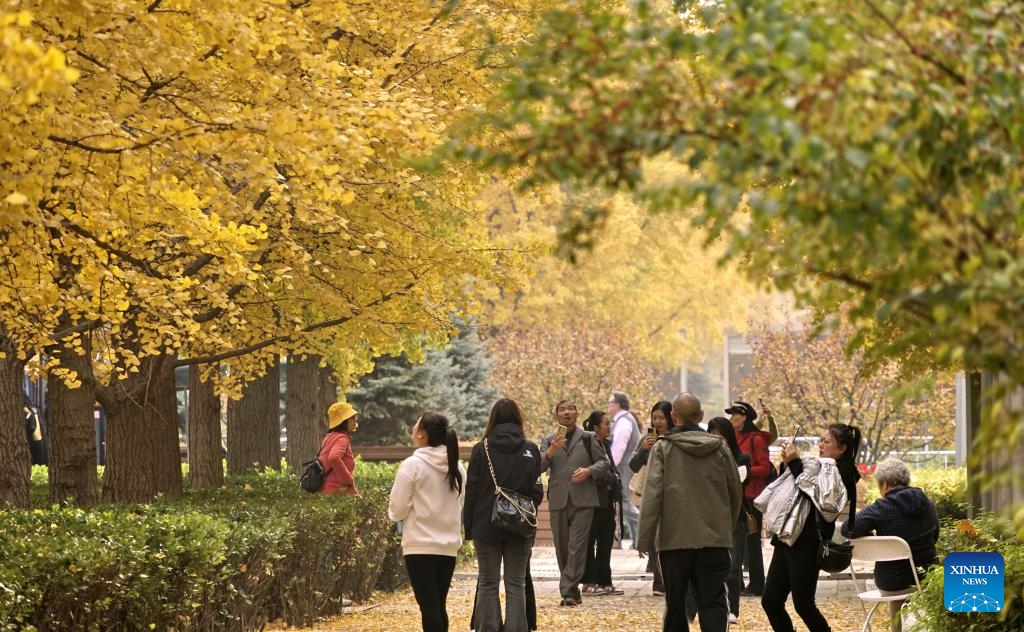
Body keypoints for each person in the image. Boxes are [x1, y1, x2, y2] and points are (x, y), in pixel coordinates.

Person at [637, 393, 742, 632]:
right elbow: (734, 491)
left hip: (674, 541)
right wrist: (727, 526)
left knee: (675, 604)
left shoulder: (663, 448)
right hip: (714, 539)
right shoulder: (720, 448)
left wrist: (645, 537)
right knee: (713, 601)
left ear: (673, 417)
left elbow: (652, 495)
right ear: (701, 416)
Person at [759, 423, 861, 632]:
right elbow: (794, 486)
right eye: (821, 440)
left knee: (803, 604)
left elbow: (823, 500)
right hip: (787, 536)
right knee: (770, 601)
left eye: (827, 441)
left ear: (841, 449)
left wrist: (796, 463)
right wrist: (788, 463)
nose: (821, 445)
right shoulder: (818, 464)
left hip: (808, 540)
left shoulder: (845, 472)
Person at [464, 398, 543, 632]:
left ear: (493, 419)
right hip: (520, 528)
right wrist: (521, 509)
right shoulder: (530, 449)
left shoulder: (482, 449)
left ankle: (488, 628)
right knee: (516, 583)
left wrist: (469, 527)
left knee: (487, 582)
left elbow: (472, 490)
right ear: (518, 418)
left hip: (486, 526)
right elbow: (537, 492)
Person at [388, 412, 466, 632]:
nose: (413, 428)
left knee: (429, 607)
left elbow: (397, 508)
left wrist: (403, 513)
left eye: (416, 424)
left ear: (422, 434)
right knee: (438, 605)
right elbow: (458, 504)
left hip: (419, 545)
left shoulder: (412, 465)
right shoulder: (457, 467)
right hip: (448, 547)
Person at [841, 458, 939, 631]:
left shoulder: (882, 507)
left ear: (885, 485)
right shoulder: (928, 505)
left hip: (891, 582)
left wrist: (869, 534)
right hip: (926, 579)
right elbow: (935, 536)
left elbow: (848, 528)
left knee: (897, 587)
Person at [540, 399, 610, 606]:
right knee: (562, 547)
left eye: (570, 409)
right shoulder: (548, 439)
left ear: (577, 414)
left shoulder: (589, 438)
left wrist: (589, 471)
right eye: (562, 410)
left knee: (577, 546)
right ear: (556, 415)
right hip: (558, 499)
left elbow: (604, 463)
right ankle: (572, 588)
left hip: (583, 499)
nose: (566, 412)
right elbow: (539, 467)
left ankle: (568, 591)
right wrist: (551, 451)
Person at [707, 416, 752, 626]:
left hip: (736, 518)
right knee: (712, 565)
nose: (717, 439)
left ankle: (733, 608)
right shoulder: (704, 459)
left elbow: (737, 483)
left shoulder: (741, 459)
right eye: (713, 435)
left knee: (733, 567)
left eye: (721, 435)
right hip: (711, 517)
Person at [726, 400, 772, 596]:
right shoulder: (733, 437)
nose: (731, 418)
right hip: (737, 496)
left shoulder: (756, 439)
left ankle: (757, 584)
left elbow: (766, 468)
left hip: (752, 498)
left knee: (752, 544)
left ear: (744, 417)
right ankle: (739, 584)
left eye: (735, 414)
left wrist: (743, 471)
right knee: (738, 544)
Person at [629, 400, 673, 597]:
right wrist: (644, 449)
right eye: (654, 418)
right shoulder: (647, 438)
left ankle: (671, 579)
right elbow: (633, 465)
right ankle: (659, 582)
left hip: (672, 493)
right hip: (651, 492)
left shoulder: (676, 437)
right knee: (654, 535)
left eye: (661, 418)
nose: (657, 422)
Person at [581, 410, 624, 596]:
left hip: (607, 502)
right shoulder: (586, 445)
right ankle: (589, 581)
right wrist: (611, 477)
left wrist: (613, 478)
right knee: (590, 542)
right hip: (593, 500)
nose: (610, 427)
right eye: (606, 423)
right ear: (596, 427)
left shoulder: (605, 444)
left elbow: (611, 469)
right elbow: (598, 471)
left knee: (606, 542)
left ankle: (605, 580)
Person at [607, 391, 641, 543]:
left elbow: (618, 448)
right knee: (623, 503)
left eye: (610, 403)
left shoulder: (623, 422)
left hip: (624, 466)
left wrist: (610, 466)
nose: (608, 406)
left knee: (624, 502)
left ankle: (648, 522)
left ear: (617, 404)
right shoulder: (623, 420)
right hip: (625, 465)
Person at [321, 401, 360, 496]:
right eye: (352, 418)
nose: (355, 421)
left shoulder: (329, 437)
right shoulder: (341, 439)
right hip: (337, 494)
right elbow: (334, 458)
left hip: (328, 492)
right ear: (344, 421)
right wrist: (349, 480)